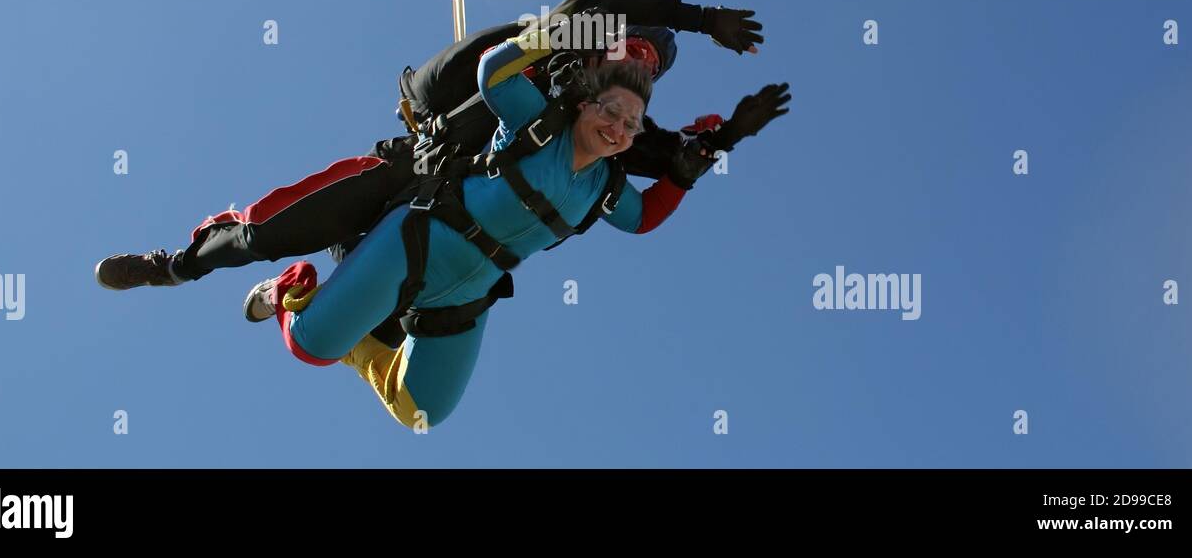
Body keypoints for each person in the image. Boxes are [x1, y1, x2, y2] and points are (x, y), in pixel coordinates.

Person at [243, 26, 790, 429]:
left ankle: (366, 328)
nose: (619, 128)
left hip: (468, 292)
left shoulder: (603, 179)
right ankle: (296, 291)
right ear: (588, 94)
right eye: (611, 110)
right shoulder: (544, 107)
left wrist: (710, 150)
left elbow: (646, 212)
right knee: (313, 345)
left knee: (422, 413)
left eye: (630, 124)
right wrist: (562, 30)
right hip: (422, 236)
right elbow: (492, 71)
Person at [94, 0, 764, 296]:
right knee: (267, 232)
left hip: (448, 223)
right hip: (411, 167)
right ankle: (172, 265)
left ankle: (294, 293)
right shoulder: (565, 40)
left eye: (650, 70)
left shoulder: (607, 124)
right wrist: (700, 18)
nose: (636, 70)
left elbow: (669, 162)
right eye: (632, 52)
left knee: (381, 309)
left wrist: (726, 135)